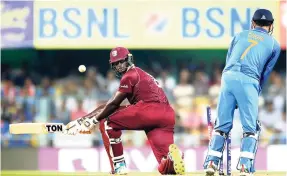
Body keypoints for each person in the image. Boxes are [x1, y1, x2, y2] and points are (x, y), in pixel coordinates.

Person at [65, 47, 185, 175]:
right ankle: (172, 159)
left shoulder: (130, 75)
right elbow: (110, 106)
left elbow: (113, 104)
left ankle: (119, 166)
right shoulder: (141, 74)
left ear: (129, 59)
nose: (119, 66)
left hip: (147, 110)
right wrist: (82, 120)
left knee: (107, 122)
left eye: (121, 61)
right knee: (165, 167)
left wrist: (92, 121)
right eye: (115, 63)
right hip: (166, 115)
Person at [203, 9, 281, 176]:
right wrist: (252, 92)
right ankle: (245, 166)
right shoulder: (274, 44)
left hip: (228, 77)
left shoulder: (239, 35)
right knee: (250, 128)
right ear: (271, 25)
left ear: (253, 23)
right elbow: (265, 73)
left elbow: (229, 60)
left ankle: (211, 162)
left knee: (221, 125)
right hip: (249, 80)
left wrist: (232, 89)